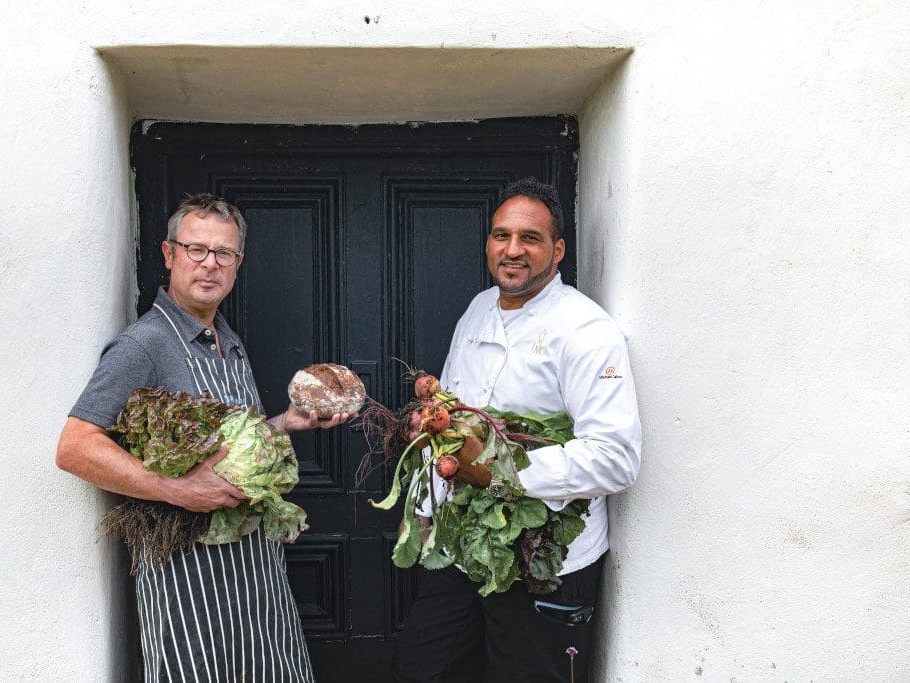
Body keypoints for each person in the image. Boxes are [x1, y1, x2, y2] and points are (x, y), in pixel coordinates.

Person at [57, 193, 348, 682]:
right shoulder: (144, 345)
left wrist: (286, 423)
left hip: (254, 568)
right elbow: (75, 446)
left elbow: (232, 448)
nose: (209, 264)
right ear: (169, 254)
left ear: (237, 265)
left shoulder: (226, 340)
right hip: (187, 578)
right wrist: (178, 489)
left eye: (224, 254)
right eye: (196, 249)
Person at [392, 178, 642, 682]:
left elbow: (616, 457)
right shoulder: (478, 309)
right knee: (422, 670)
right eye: (501, 235)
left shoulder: (586, 331)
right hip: (463, 549)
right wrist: (422, 509)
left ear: (558, 250)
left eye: (530, 238)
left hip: (544, 560)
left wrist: (496, 471)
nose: (512, 250)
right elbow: (453, 418)